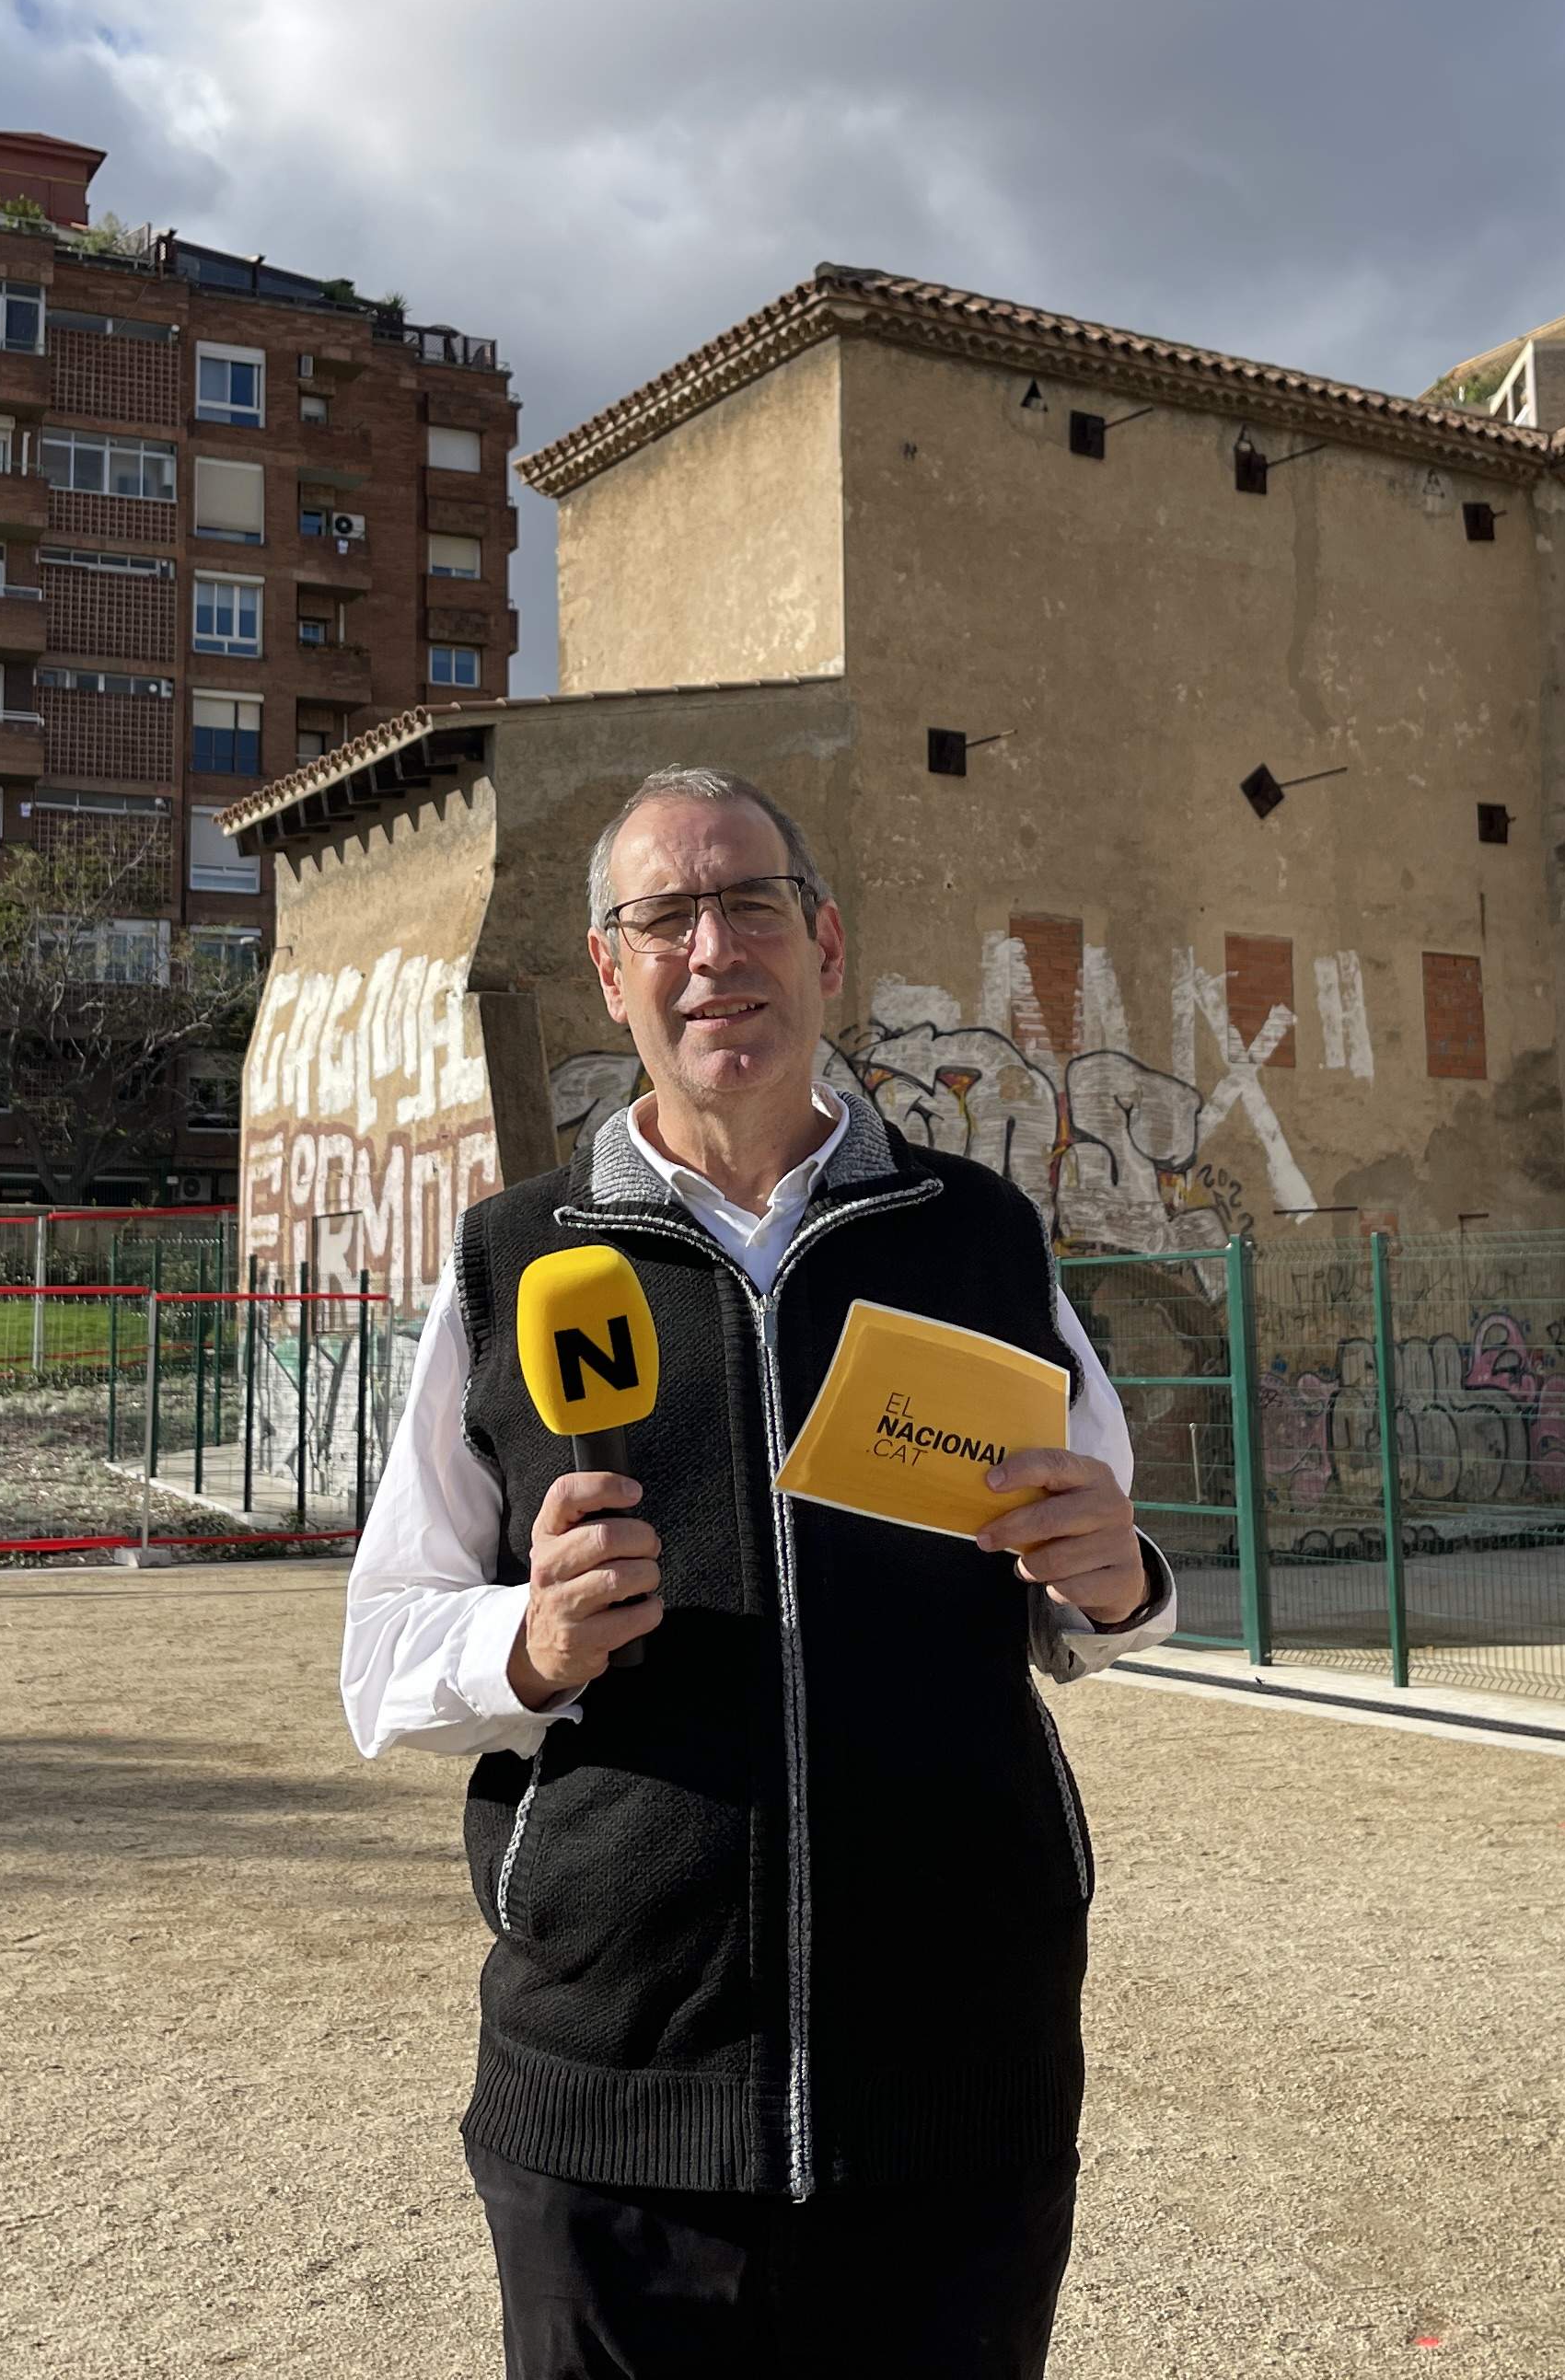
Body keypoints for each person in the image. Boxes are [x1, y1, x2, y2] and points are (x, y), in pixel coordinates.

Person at [342, 765, 1178, 2377]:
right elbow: (383, 1652)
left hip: (955, 2086)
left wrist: (1119, 1581)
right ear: (612, 971)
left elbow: (1095, 1584)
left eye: (748, 905)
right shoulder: (514, 1257)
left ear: (824, 944)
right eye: (663, 916)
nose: (712, 948)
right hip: (612, 2102)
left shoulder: (978, 1238)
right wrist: (526, 1644)